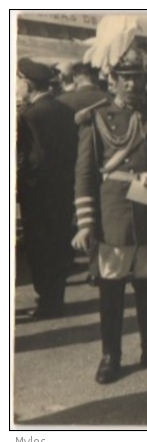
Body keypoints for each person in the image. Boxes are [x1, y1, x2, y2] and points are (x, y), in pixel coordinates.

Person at [71, 16, 147, 384]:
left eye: (138, 77)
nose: (133, 83)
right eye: (125, 77)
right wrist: (87, 223)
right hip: (115, 214)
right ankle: (110, 355)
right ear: (112, 78)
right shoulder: (98, 117)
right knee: (113, 287)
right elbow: (86, 174)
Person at [16, 58, 77, 319]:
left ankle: (47, 303)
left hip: (37, 192)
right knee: (59, 244)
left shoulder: (28, 116)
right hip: (62, 190)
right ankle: (55, 299)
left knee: (40, 247)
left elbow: (25, 157)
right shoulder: (64, 110)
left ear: (28, 84)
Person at [58, 62, 110, 287]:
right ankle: (95, 267)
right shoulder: (108, 99)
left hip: (68, 168)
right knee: (98, 215)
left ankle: (66, 259)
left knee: (69, 216)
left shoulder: (62, 102)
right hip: (102, 167)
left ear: (77, 78)